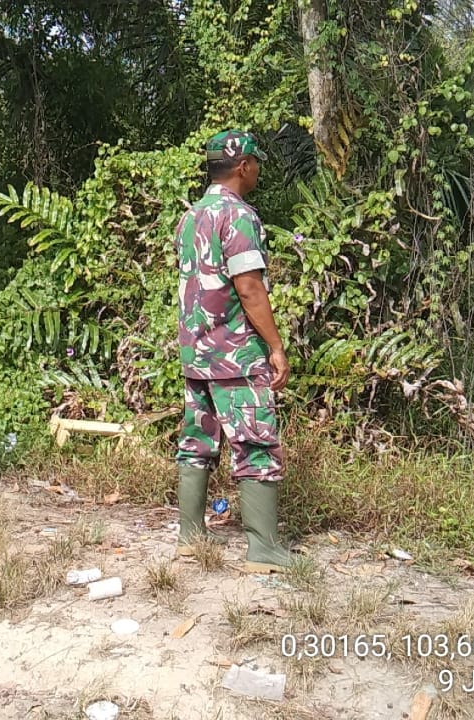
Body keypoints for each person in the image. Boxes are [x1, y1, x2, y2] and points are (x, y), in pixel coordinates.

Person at [172, 130, 303, 573]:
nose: (258, 170)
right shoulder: (239, 216)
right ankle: (263, 548)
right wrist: (276, 346)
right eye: (257, 163)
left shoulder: (190, 217)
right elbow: (248, 288)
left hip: (196, 354)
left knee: (197, 440)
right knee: (257, 443)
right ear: (243, 165)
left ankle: (190, 536)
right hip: (235, 355)